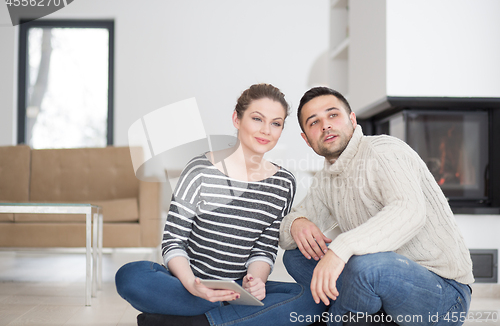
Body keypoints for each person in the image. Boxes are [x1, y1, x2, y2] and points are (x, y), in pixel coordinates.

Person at [116, 83, 326, 326]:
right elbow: (173, 241)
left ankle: (189, 321)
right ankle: (227, 317)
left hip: (236, 290)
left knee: (313, 298)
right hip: (185, 284)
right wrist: (194, 286)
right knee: (130, 276)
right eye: (257, 119)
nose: (266, 130)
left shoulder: (283, 183)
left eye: (276, 123)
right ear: (237, 119)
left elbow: (264, 249)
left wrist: (254, 280)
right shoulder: (199, 170)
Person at [279, 86, 474, 326]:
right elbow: (287, 237)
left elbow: (409, 211)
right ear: (306, 140)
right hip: (382, 286)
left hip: (444, 294)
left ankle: (339, 319)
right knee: (296, 256)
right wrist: (297, 223)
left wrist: (341, 248)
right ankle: (367, 315)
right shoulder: (326, 179)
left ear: (352, 119)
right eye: (314, 122)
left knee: (366, 267)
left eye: (333, 115)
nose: (325, 126)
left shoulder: (384, 150)